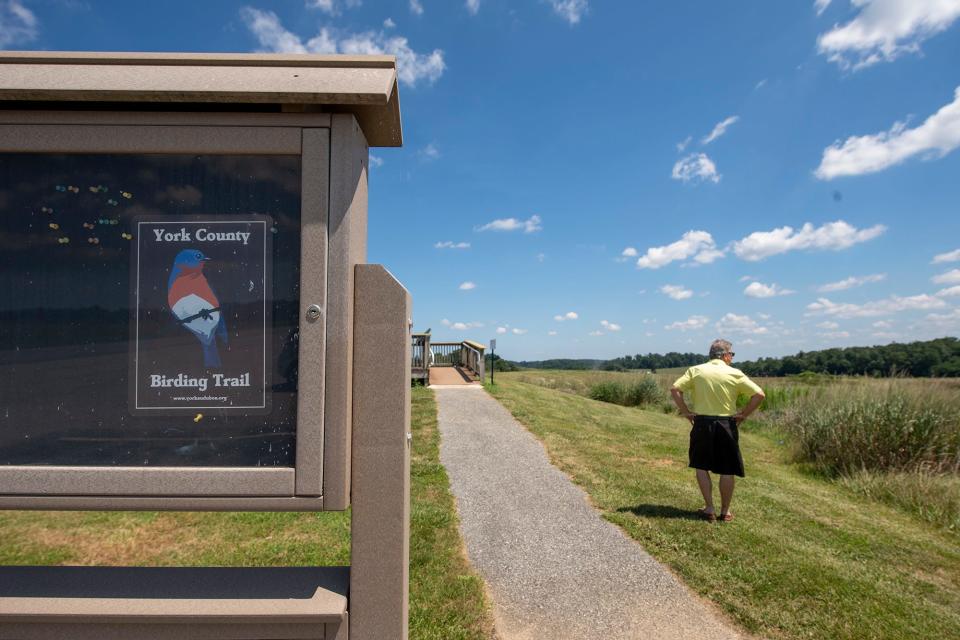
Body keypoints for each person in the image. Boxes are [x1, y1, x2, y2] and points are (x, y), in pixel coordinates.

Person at [670, 339, 764, 523]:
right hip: (726, 424)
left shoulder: (696, 370)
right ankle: (725, 512)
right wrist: (743, 414)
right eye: (732, 355)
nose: (732, 358)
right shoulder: (734, 373)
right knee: (727, 469)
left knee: (701, 466)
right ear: (726, 355)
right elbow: (759, 395)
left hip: (702, 422)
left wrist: (686, 412)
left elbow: (675, 389)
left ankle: (709, 508)